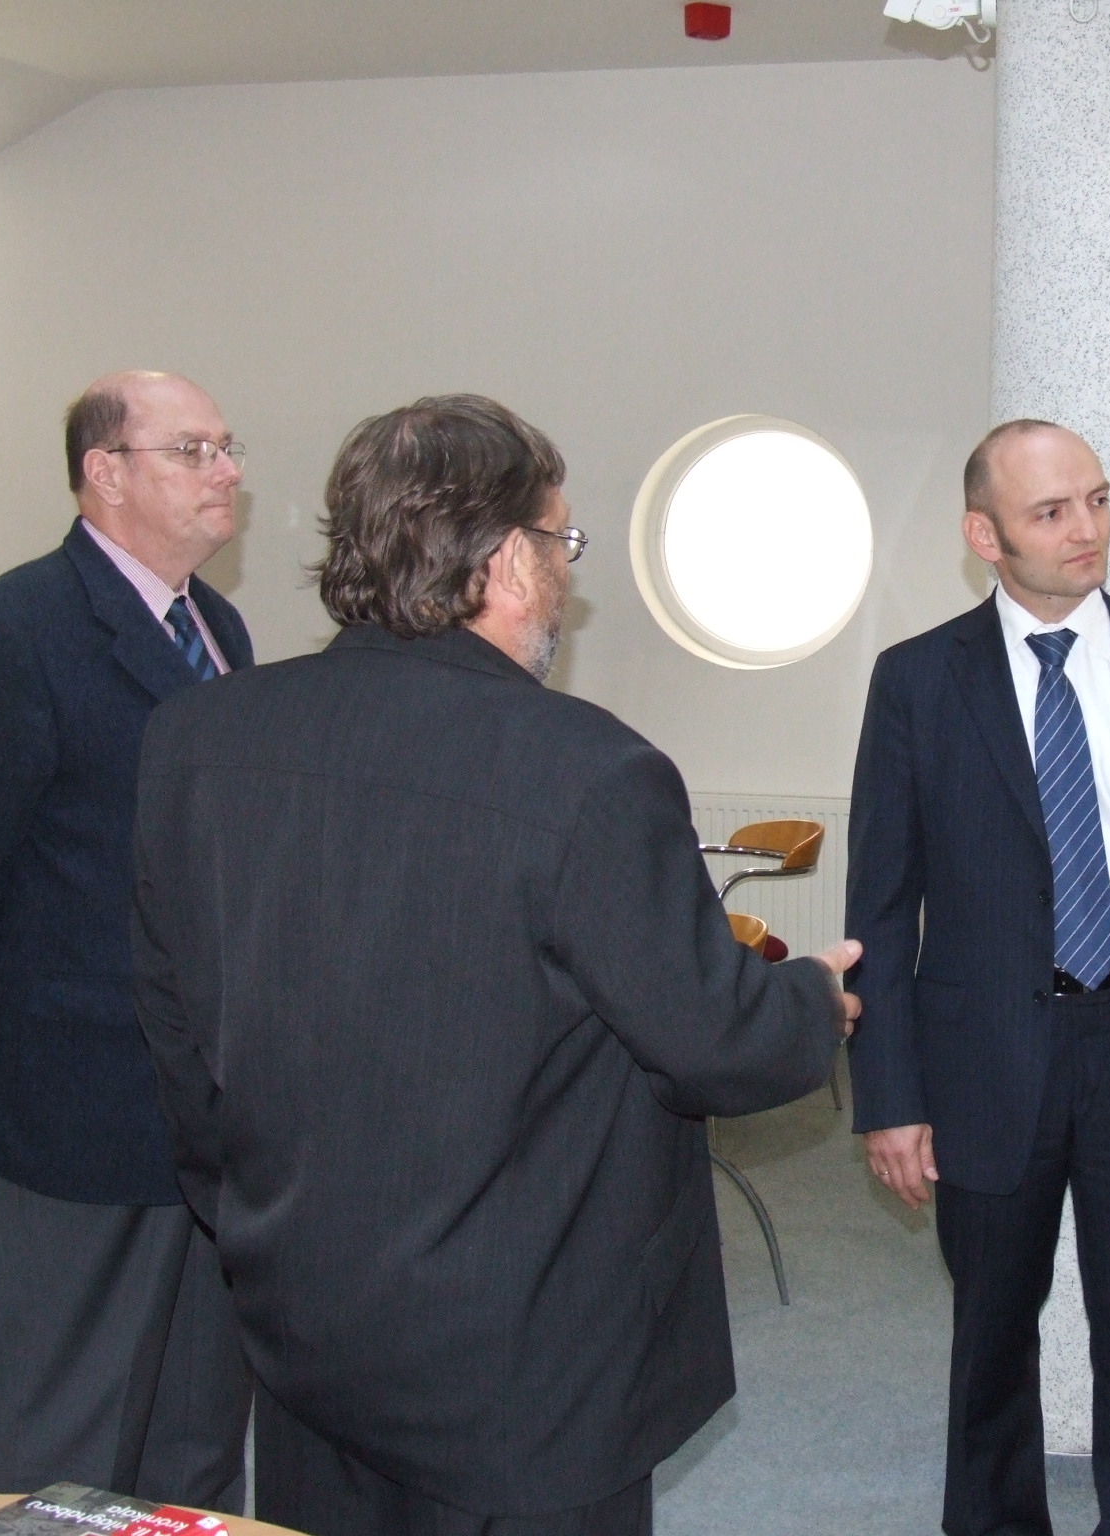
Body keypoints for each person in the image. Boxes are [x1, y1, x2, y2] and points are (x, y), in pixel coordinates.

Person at [130, 394, 857, 1536]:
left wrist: (251, 1215)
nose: (566, 574)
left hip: (303, 1317)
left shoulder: (199, 738)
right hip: (533, 1368)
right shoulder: (590, 772)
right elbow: (713, 1042)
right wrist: (811, 997)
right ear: (509, 559)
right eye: (563, 542)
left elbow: (175, 1028)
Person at [847, 419, 1110, 1536]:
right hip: (986, 1055)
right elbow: (879, 911)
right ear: (982, 535)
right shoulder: (917, 682)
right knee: (992, 1337)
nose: (1085, 528)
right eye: (1050, 512)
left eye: (1095, 499)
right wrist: (887, 1095)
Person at [0, 372, 255, 1506]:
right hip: (75, 1109)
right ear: (104, 472)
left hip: (207, 1112)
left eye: (227, 448)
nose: (227, 472)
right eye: (192, 450)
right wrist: (1, 1027)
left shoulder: (219, 626)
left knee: (194, 1443)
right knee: (67, 1453)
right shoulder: (14, 631)